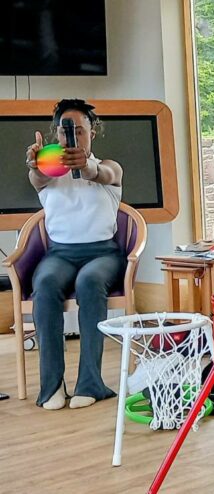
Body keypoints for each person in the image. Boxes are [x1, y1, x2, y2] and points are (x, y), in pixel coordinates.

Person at [24, 99, 125, 410]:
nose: (73, 137)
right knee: (45, 284)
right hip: (60, 254)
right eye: (65, 131)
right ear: (56, 134)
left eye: (79, 130)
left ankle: (91, 384)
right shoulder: (47, 172)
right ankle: (51, 387)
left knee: (90, 282)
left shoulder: (110, 166)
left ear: (91, 133)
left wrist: (86, 167)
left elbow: (101, 173)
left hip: (103, 254)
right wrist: (37, 165)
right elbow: (37, 180)